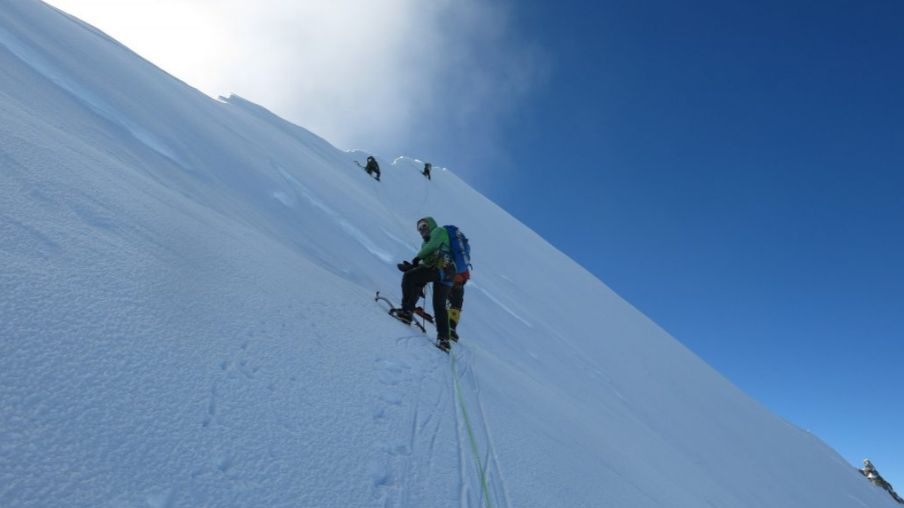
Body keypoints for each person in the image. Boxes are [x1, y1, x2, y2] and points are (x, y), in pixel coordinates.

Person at [396, 217, 455, 351]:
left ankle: (406, 311)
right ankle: (444, 339)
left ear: (431, 224)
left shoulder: (439, 231)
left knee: (409, 277)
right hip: (448, 274)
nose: (422, 229)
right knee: (439, 305)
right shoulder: (426, 245)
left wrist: (416, 259)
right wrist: (414, 266)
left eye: (423, 225)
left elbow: (433, 246)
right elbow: (426, 261)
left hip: (441, 267)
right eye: (419, 228)